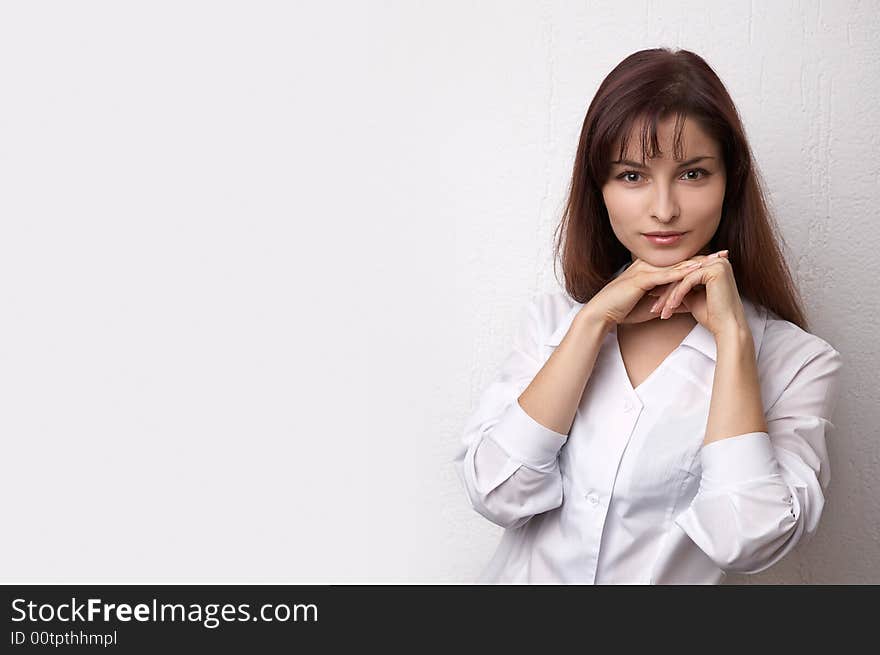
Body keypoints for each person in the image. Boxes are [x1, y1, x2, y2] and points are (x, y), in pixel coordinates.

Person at [452, 48, 843, 584]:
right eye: (632, 176)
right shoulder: (552, 323)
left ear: (730, 183)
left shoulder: (797, 361)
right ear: (600, 189)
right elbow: (498, 493)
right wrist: (590, 325)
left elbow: (746, 538)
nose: (664, 209)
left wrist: (733, 340)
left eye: (692, 173)